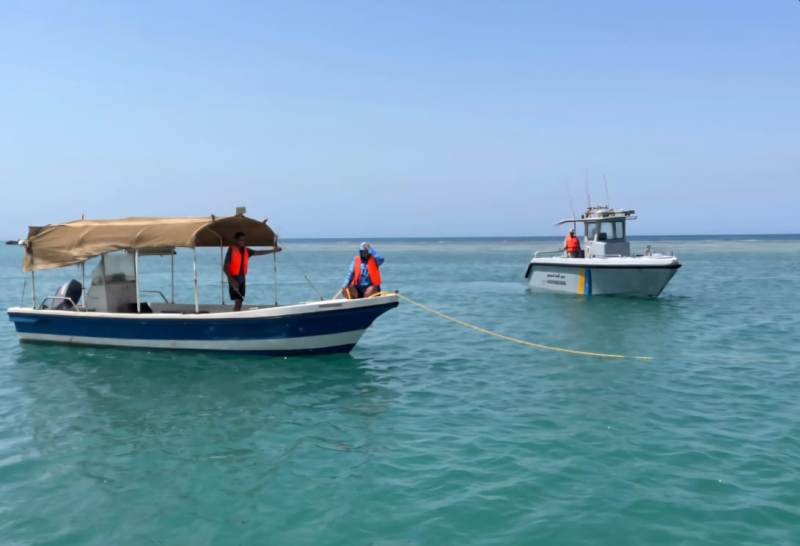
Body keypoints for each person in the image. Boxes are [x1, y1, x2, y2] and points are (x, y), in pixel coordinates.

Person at [224, 232, 281, 311]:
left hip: (242, 278)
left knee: (240, 300)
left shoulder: (246, 250)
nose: (242, 242)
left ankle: (236, 315)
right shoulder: (231, 250)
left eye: (243, 240)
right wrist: (232, 280)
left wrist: (273, 251)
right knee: (238, 300)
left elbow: (259, 252)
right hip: (234, 278)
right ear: (236, 240)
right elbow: (225, 267)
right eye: (240, 240)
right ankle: (234, 316)